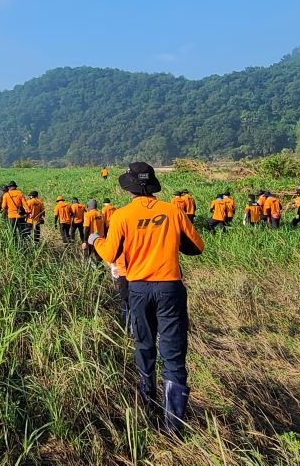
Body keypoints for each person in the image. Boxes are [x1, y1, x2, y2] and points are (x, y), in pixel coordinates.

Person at [86, 162, 203, 434]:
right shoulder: (173, 211)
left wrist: (94, 240)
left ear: (130, 187)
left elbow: (110, 254)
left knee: (144, 343)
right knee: (174, 356)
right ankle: (174, 426)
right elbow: (197, 247)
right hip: (170, 288)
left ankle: (146, 398)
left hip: (138, 288)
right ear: (152, 186)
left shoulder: (122, 216)